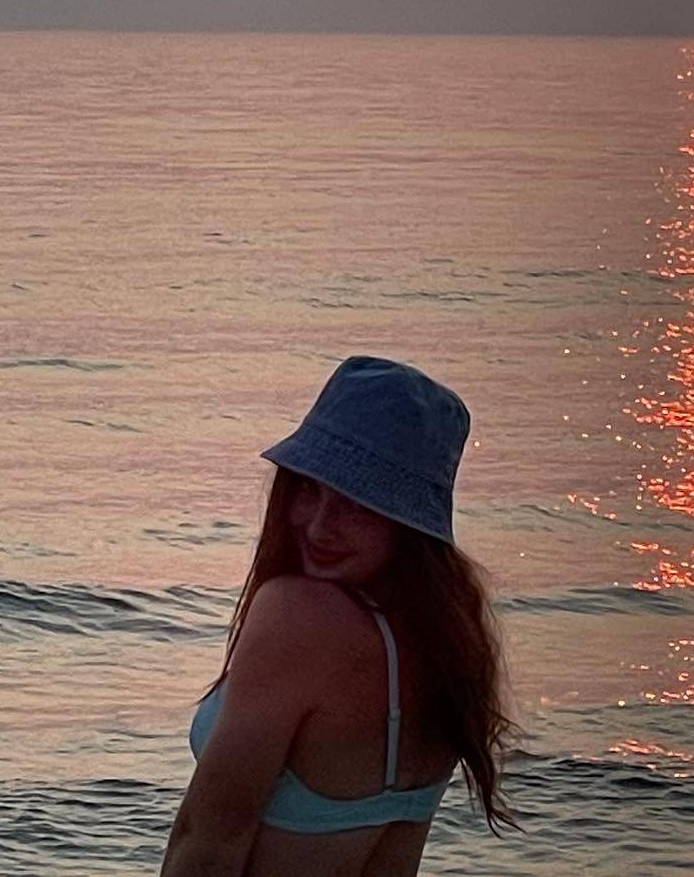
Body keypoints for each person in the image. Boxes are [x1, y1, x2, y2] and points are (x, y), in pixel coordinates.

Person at [161, 355, 518, 877]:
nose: (319, 525)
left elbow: (207, 844)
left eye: (356, 503)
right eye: (309, 489)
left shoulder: (299, 617)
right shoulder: (450, 640)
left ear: (408, 521)